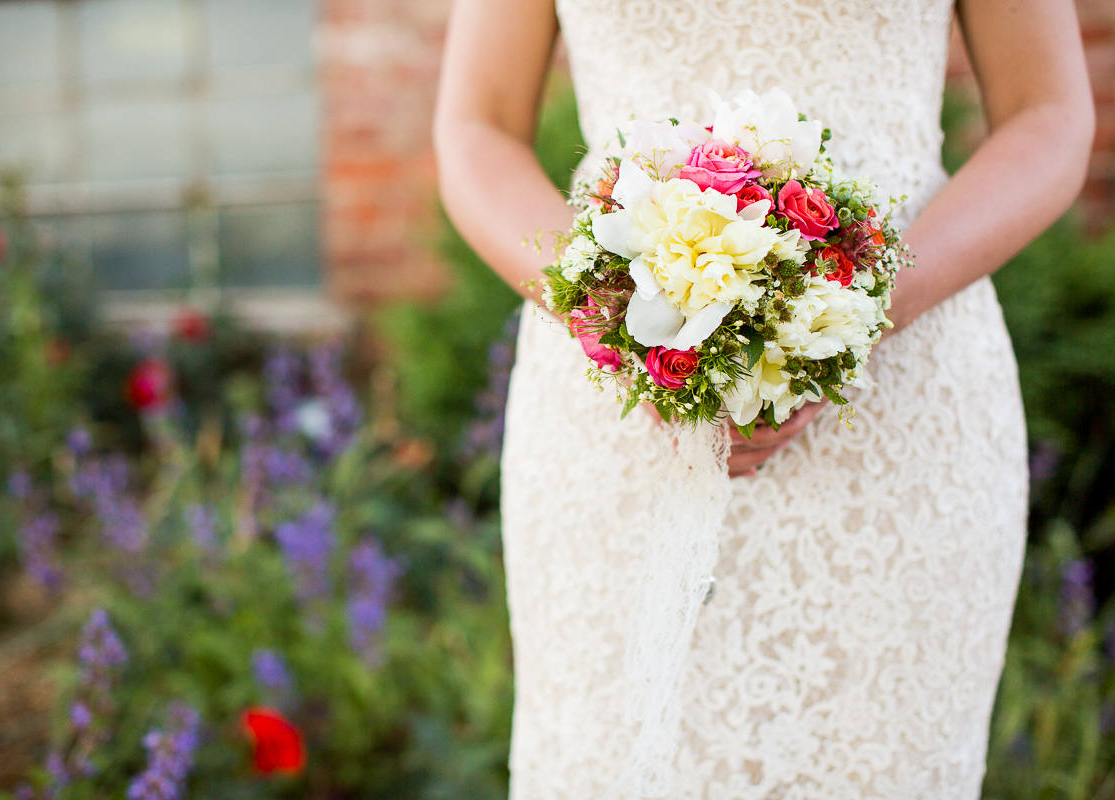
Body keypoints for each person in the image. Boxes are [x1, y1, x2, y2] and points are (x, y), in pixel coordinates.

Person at [434, 0, 1095, 797]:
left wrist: (856, 315)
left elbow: (1047, 112)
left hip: (902, 404)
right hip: (620, 419)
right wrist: (614, 322)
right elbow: (478, 127)